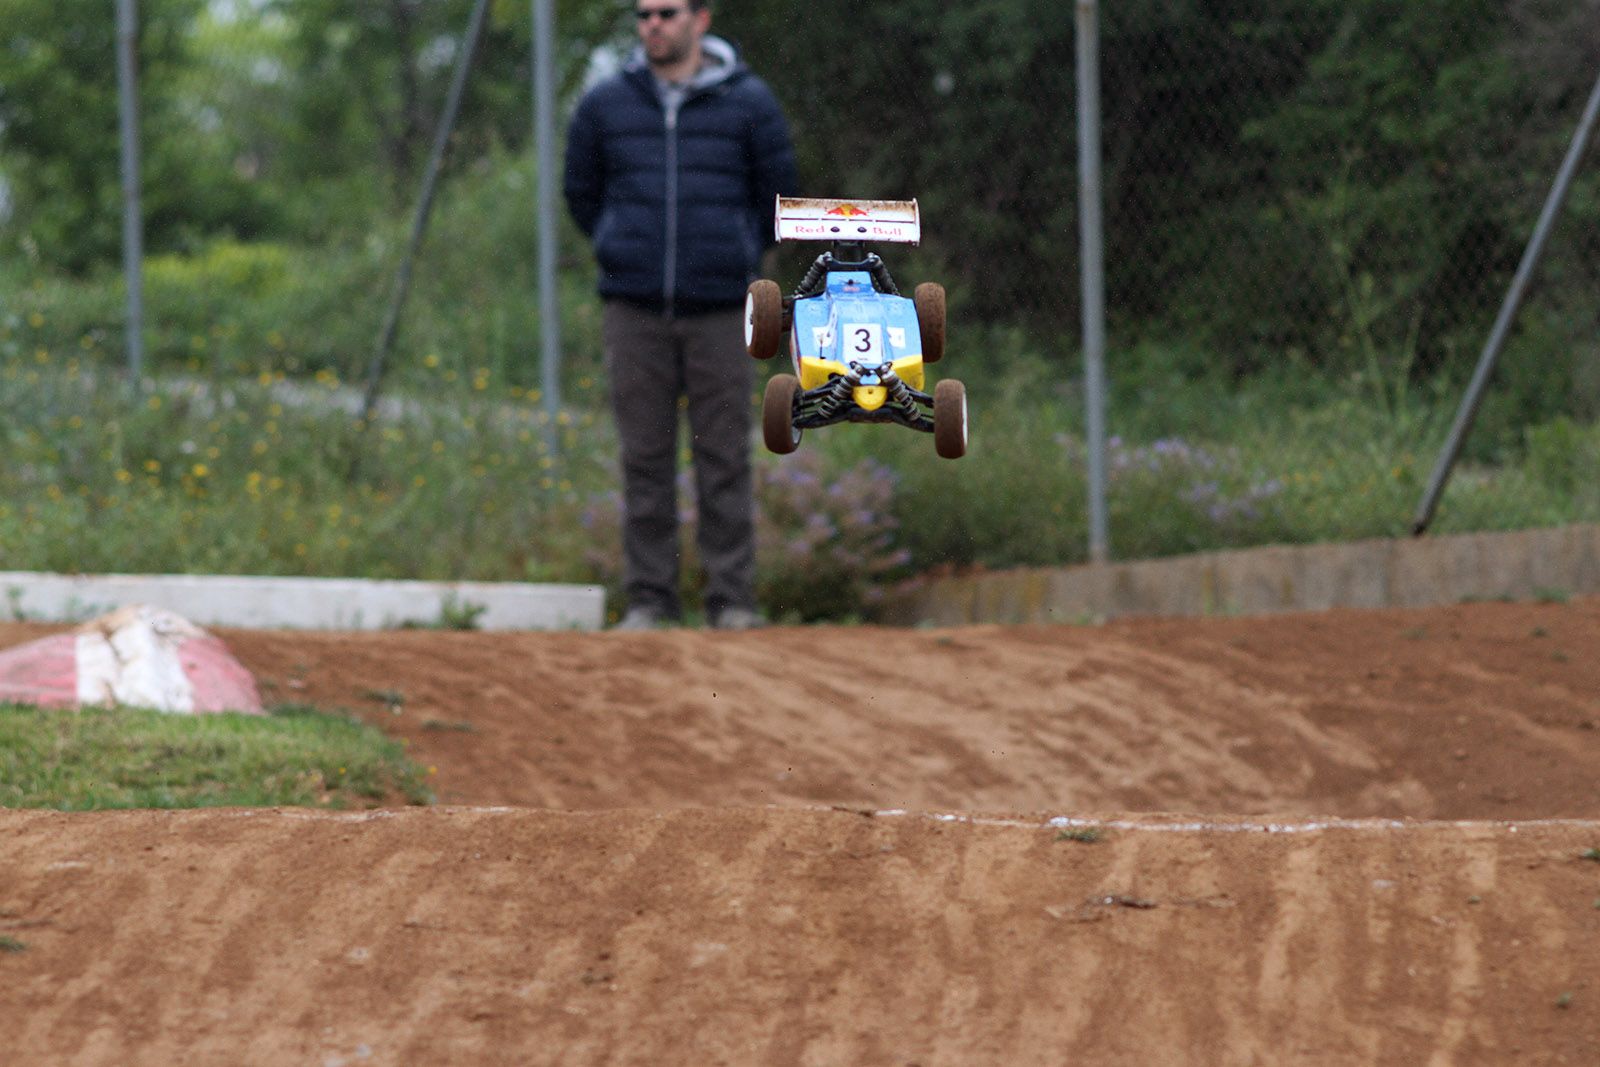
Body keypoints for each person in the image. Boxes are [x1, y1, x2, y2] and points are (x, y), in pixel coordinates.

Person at [564, 0, 797, 630]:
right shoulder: (606, 104)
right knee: (644, 457)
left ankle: (732, 601)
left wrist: (737, 252)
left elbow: (776, 192)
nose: (653, 26)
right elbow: (581, 193)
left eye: (666, 12)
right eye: (642, 16)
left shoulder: (749, 102)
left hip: (722, 307)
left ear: (702, 18)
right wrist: (620, 242)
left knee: (724, 455)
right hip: (633, 307)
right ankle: (650, 600)